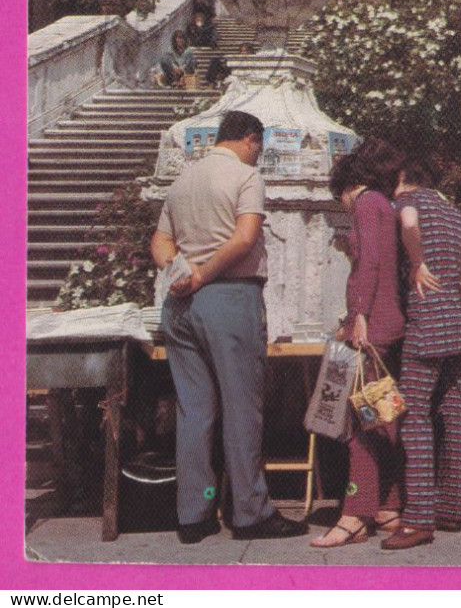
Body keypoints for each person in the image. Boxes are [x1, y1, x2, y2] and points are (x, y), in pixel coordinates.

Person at [150, 110, 307, 544]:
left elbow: (160, 241)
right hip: (230, 296)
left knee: (195, 410)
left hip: (180, 307)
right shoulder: (245, 176)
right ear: (251, 139)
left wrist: (180, 271)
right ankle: (250, 512)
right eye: (260, 147)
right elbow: (243, 239)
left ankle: (194, 513)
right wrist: (204, 275)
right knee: (242, 408)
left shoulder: (183, 180)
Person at [381, 155, 461, 551]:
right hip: (455, 322)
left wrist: (417, 263)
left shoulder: (406, 202)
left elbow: (408, 225)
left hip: (427, 323)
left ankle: (418, 519)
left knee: (414, 414)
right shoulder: (452, 211)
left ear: (401, 179)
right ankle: (452, 508)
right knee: (452, 410)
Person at [310, 145, 406, 548]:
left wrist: (357, 316)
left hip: (371, 325)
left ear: (347, 186)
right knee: (383, 415)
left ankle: (355, 514)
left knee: (362, 423)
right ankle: (388, 504)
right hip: (389, 321)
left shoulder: (366, 203)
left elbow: (368, 264)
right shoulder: (385, 203)